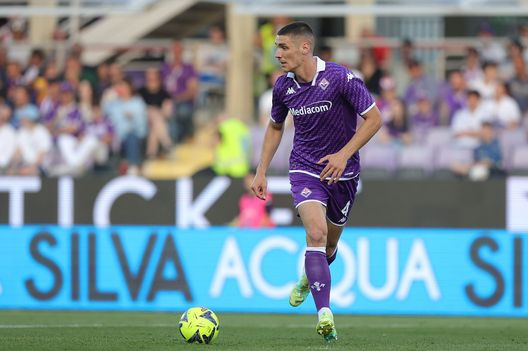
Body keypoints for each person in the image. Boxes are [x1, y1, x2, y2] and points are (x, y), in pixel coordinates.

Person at [251, 22, 382, 342]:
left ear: (304, 48)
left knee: (331, 244)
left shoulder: (340, 77)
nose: (277, 53)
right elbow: (275, 126)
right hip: (305, 168)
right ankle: (325, 313)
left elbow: (375, 119)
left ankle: (309, 277)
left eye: (283, 47)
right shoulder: (283, 87)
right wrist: (261, 170)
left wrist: (343, 154)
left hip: (344, 172)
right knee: (316, 232)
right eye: (276, 48)